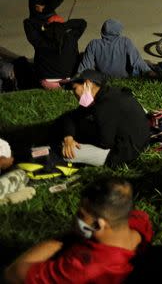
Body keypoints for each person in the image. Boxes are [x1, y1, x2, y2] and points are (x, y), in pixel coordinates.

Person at [3, 177, 153, 284]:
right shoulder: (139, 223)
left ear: (99, 225)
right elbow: (139, 215)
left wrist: (58, 241)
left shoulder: (85, 267)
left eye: (81, 215)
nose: (75, 218)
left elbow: (13, 274)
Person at [55, 69, 150, 167]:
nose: (74, 94)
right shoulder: (109, 94)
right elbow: (71, 116)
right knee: (71, 130)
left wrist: (78, 136)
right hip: (142, 139)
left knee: (66, 151)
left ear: (87, 83)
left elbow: (105, 143)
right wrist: (69, 137)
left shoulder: (103, 107)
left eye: (74, 89)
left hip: (124, 153)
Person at [24, 16, 87, 89]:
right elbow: (82, 23)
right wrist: (65, 25)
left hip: (47, 82)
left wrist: (44, 25)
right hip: (70, 80)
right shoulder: (70, 37)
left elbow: (27, 22)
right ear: (62, 26)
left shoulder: (40, 40)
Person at [76, 19, 154, 78]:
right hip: (124, 77)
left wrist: (76, 78)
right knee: (147, 62)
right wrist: (149, 71)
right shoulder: (125, 42)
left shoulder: (94, 44)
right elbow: (137, 62)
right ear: (118, 31)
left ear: (102, 31)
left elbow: (85, 66)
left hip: (104, 78)